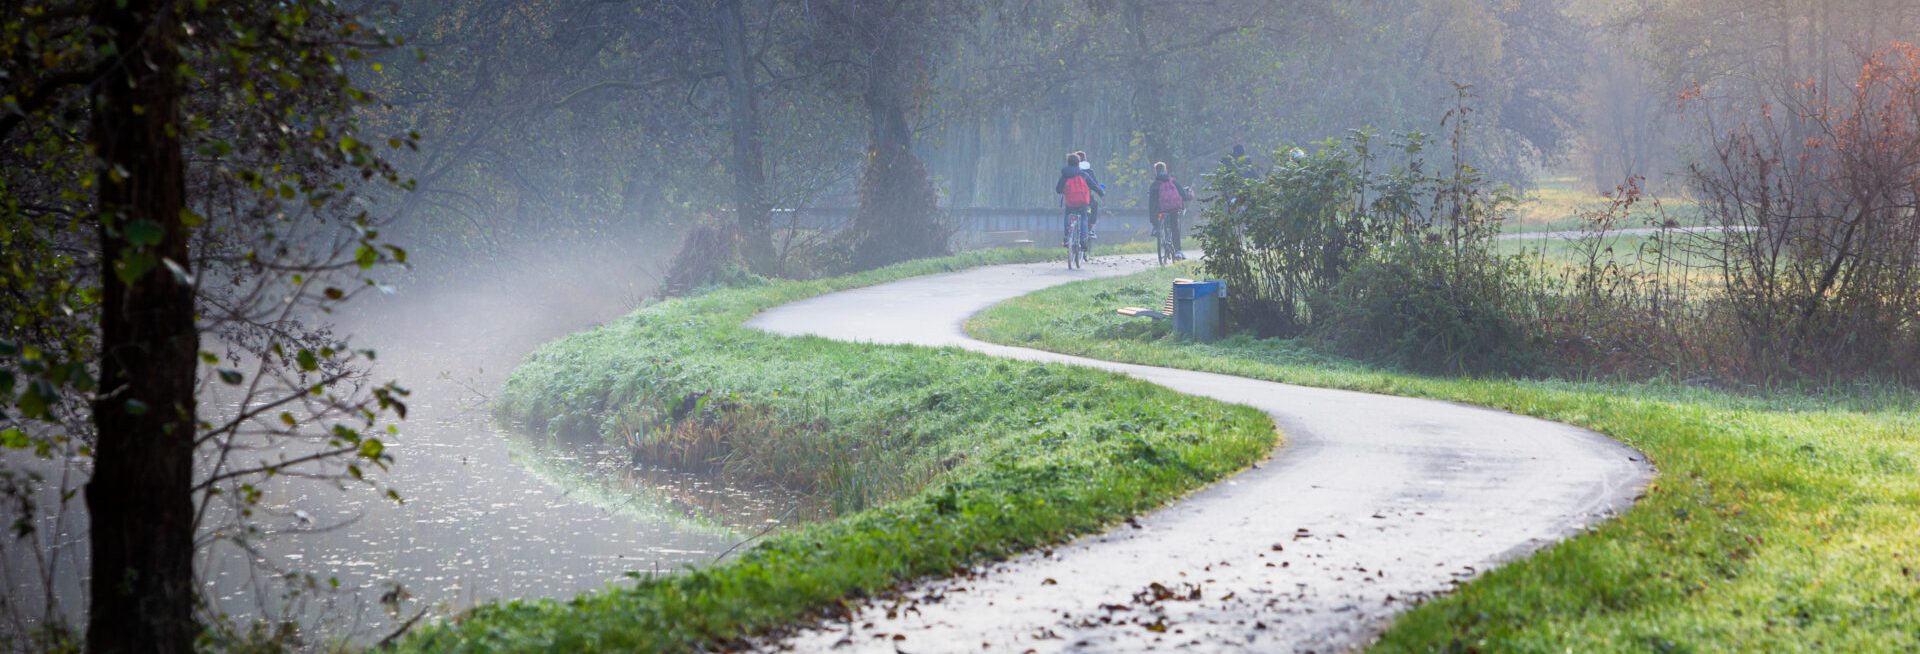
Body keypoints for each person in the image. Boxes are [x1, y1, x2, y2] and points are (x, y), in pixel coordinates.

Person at [1146, 161, 1193, 259]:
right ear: (1165, 169)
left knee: (1152, 205)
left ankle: (1156, 228)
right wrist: (1189, 196)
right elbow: (1183, 195)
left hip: (1160, 210)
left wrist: (1154, 221)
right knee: (1174, 226)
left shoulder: (1154, 185)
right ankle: (1178, 251)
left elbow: (1152, 205)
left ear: (1156, 171)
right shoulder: (1173, 182)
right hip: (1173, 209)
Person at [1054, 153, 1101, 246]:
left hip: (1070, 202)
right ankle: (1083, 240)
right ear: (1078, 163)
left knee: (1067, 216)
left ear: (1068, 162)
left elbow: (1058, 189)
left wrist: (1062, 191)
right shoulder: (1084, 174)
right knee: (1083, 218)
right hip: (1083, 201)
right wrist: (1101, 193)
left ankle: (1067, 238)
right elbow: (1094, 185)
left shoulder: (1065, 175)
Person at [1074, 151, 1106, 237]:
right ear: (1085, 159)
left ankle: (1069, 235)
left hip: (1072, 198)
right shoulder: (1089, 172)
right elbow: (1095, 184)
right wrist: (1101, 192)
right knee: (1094, 205)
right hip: (1085, 197)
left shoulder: (1071, 171)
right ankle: (1092, 229)